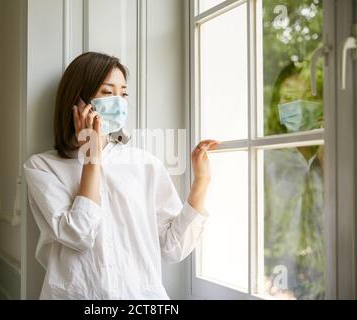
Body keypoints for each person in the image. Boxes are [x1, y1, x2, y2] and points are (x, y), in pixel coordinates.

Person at [23, 52, 218, 299]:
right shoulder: (42, 168)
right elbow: (79, 234)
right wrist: (91, 157)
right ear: (77, 101)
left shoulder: (144, 164)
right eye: (107, 92)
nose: (118, 101)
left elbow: (172, 248)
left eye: (123, 93)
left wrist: (201, 181)